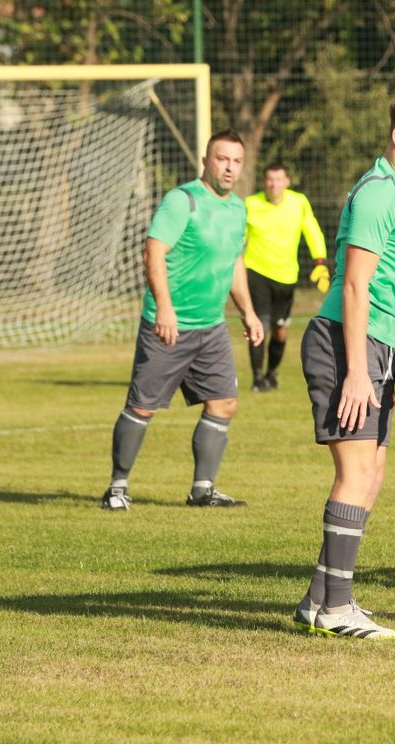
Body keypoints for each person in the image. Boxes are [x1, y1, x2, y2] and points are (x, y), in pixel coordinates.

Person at [293, 89, 395, 640]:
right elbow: (358, 285)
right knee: (354, 473)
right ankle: (337, 608)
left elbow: (392, 290)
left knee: (374, 474)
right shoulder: (378, 193)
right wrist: (360, 369)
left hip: (375, 346)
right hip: (344, 343)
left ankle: (319, 599)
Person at [100, 129, 264, 511]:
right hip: (169, 326)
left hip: (211, 327)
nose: (229, 168)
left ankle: (202, 489)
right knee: (143, 406)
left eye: (236, 161)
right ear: (206, 160)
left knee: (224, 403)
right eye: (222, 159)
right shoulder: (182, 201)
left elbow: (233, 262)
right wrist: (166, 307)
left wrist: (248, 312)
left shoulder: (238, 208)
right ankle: (117, 488)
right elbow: (153, 253)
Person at [243, 163, 329, 392]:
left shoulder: (298, 202)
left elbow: (312, 230)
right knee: (258, 325)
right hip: (256, 273)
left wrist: (320, 261)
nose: (274, 184)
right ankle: (257, 378)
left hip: (286, 278)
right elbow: (238, 237)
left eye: (278, 179)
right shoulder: (251, 204)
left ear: (287, 182)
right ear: (264, 182)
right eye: (270, 179)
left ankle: (272, 372)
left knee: (280, 331)